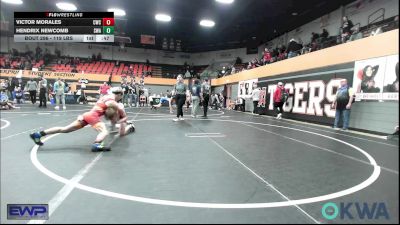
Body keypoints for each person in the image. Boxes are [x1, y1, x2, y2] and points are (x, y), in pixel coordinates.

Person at [29, 87, 135, 152]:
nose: (121, 98)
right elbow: (110, 113)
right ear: (120, 94)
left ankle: (38, 134)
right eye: (121, 96)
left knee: (65, 129)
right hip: (92, 117)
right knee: (104, 131)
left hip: (87, 115)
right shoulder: (112, 101)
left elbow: (103, 109)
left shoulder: (105, 97)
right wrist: (120, 112)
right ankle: (97, 145)